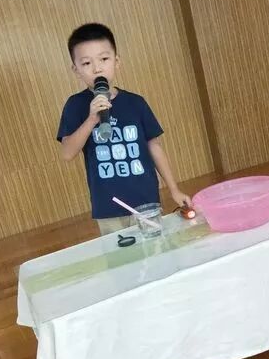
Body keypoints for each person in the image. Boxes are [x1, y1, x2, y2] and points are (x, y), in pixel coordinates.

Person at [57, 23, 191, 235]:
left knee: (155, 248)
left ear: (116, 61)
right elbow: (67, 153)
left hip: (146, 201)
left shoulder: (136, 103)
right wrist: (91, 119)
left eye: (104, 59)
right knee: (120, 253)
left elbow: (154, 147)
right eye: (86, 63)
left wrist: (174, 189)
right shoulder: (76, 105)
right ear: (76, 70)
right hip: (109, 206)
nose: (97, 68)